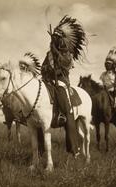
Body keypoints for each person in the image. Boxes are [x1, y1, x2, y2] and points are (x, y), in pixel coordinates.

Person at [41, 16, 86, 157]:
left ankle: (74, 147)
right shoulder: (49, 54)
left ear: (62, 40)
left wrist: (56, 59)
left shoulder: (67, 53)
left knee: (67, 110)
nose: (54, 40)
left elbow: (65, 68)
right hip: (48, 81)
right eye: (53, 38)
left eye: (56, 38)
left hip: (61, 82)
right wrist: (46, 71)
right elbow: (43, 67)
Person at [100, 47, 116, 117]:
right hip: (105, 91)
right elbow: (100, 82)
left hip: (114, 91)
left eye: (109, 64)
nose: (107, 66)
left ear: (112, 65)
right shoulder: (103, 74)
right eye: (106, 64)